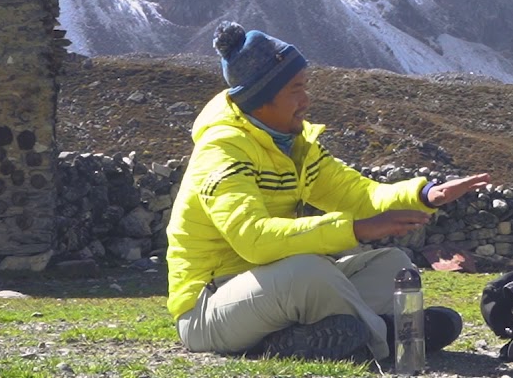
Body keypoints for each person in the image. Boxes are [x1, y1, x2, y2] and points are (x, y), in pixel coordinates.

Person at [167, 21, 490, 362]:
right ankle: (392, 337)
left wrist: (425, 194)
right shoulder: (222, 151)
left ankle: (298, 340)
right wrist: (354, 229)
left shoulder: (294, 145)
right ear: (262, 98)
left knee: (395, 265)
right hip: (208, 309)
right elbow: (254, 239)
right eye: (296, 89)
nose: (306, 100)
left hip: (272, 290)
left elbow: (355, 193)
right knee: (310, 272)